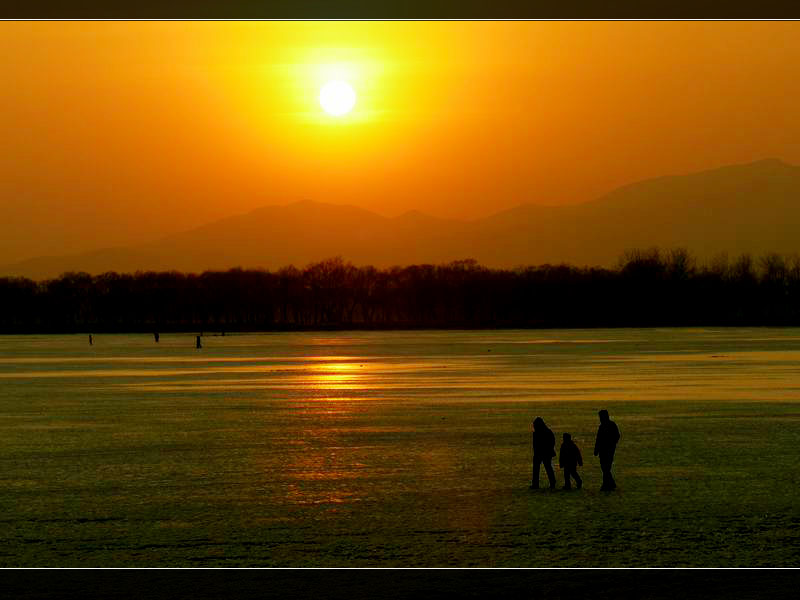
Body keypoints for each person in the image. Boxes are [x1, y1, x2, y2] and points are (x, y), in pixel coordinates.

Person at [594, 409, 620, 491]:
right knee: (605, 467)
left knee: (606, 467)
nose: (600, 418)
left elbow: (617, 436)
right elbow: (598, 439)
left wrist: (611, 444)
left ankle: (606, 485)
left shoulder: (610, 425)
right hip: (604, 450)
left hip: (608, 450)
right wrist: (597, 449)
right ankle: (611, 484)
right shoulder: (603, 426)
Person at [530, 417, 556, 490]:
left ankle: (535, 484)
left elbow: (535, 445)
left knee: (537, 469)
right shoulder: (548, 431)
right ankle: (552, 483)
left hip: (540, 453)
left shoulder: (536, 433)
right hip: (546, 453)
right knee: (548, 468)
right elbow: (552, 442)